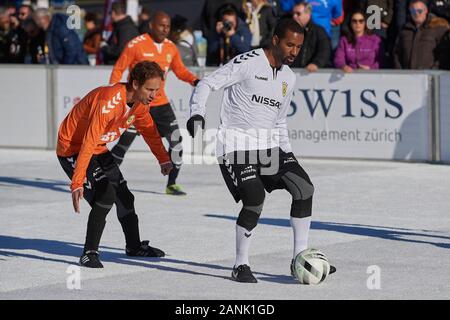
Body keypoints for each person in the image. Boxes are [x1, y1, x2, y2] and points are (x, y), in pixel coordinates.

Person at [187, 18, 336, 283]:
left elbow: (279, 120)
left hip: (269, 147)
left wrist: (288, 153)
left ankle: (299, 257)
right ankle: (240, 264)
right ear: (276, 40)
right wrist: (196, 114)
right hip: (235, 147)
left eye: (299, 47)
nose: (294, 51)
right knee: (254, 198)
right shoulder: (247, 62)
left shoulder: (288, 78)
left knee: (304, 188)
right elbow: (206, 83)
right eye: (290, 45)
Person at [57, 61, 173, 268]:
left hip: (98, 148)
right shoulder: (109, 101)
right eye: (149, 89)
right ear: (135, 84)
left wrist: (163, 157)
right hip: (73, 148)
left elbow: (149, 131)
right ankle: (89, 253)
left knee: (125, 197)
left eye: (157, 90)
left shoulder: (140, 105)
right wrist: (77, 181)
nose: (154, 95)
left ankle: (134, 246)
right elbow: (88, 141)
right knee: (106, 195)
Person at [109, 11, 199, 196]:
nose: (165, 29)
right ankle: (105, 180)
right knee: (123, 144)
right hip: (138, 103)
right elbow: (119, 68)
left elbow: (180, 70)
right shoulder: (136, 44)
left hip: (161, 104)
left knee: (177, 141)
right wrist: (115, 94)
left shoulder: (171, 47)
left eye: (168, 26)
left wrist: (195, 80)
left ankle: (171, 184)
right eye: (161, 25)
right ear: (151, 25)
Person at [393, 0, 450, 69]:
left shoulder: (437, 28)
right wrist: (400, 71)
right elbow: (397, 53)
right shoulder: (405, 31)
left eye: (419, 11)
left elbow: (444, 53)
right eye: (413, 11)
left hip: (431, 76)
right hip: (407, 76)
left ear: (426, 11)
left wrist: (434, 70)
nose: (416, 14)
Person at [291, 1, 331, 71]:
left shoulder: (319, 31)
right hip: (291, 73)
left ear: (308, 14)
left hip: (312, 74)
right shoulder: (288, 31)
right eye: (293, 13)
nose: (294, 16)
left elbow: (325, 50)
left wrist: (316, 63)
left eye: (298, 14)